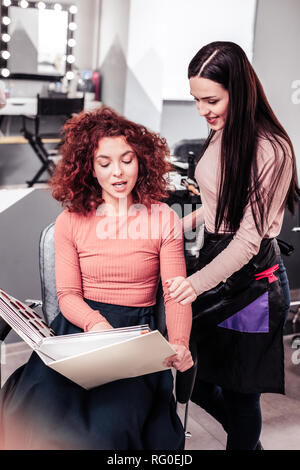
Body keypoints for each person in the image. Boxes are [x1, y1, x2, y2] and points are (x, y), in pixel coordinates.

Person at [0, 106, 193, 450]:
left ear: (142, 160)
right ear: (88, 167)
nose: (118, 172)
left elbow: (175, 292)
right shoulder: (70, 222)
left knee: (105, 434)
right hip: (79, 330)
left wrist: (179, 342)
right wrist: (95, 324)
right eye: (104, 163)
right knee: (28, 415)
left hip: (135, 336)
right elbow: (69, 295)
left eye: (127, 159)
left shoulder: (163, 218)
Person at [166, 41, 300, 450]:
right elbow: (215, 204)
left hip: (253, 286)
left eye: (211, 100)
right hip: (217, 265)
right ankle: (250, 443)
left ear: (238, 91)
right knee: (198, 380)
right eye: (196, 101)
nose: (203, 111)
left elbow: (246, 239)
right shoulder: (221, 133)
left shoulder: (272, 150)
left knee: (242, 392)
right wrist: (175, 225)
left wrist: (195, 284)